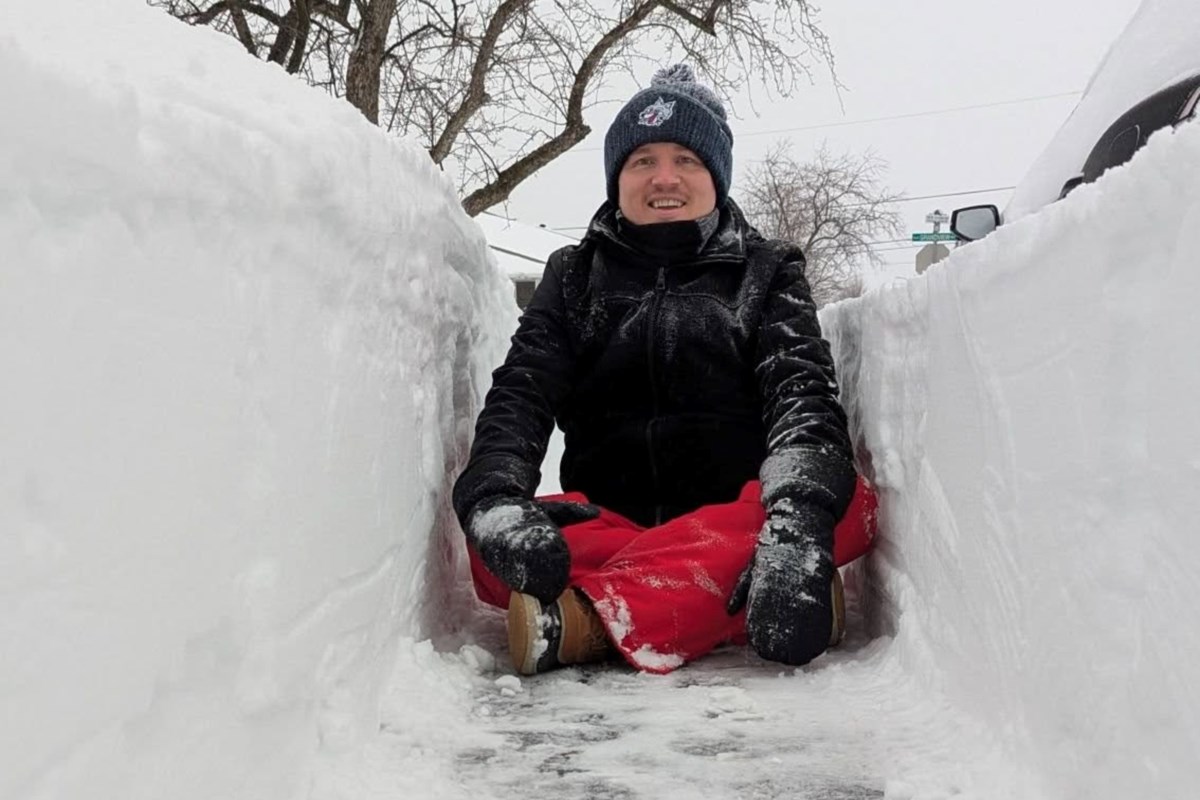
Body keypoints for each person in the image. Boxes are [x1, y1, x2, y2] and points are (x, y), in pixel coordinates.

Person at [452, 64, 876, 676]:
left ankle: (588, 621)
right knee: (494, 542)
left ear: (716, 176)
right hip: (614, 523)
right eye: (643, 160)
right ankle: (718, 600)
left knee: (846, 505)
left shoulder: (767, 271)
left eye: (686, 159)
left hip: (735, 518)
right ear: (617, 178)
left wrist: (796, 523)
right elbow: (522, 390)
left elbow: (801, 395)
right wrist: (493, 496)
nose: (665, 178)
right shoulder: (573, 275)